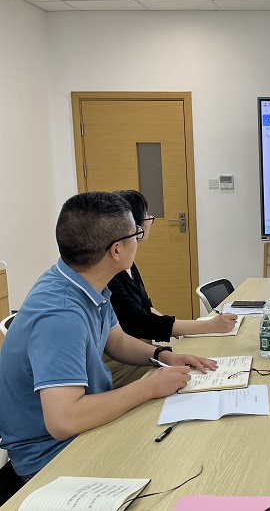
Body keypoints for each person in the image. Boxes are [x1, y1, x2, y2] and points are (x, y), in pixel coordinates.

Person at [0, 192, 218, 481]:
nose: (139, 239)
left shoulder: (85, 282)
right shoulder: (61, 314)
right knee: (186, 462)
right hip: (54, 457)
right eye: (135, 233)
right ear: (117, 250)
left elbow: (117, 341)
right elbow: (64, 420)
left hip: (87, 428)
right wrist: (149, 387)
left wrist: (163, 356)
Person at [106, 190, 236, 387]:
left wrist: (177, 331)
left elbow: (145, 308)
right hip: (124, 364)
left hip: (141, 352)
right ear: (134, 226)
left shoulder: (127, 263)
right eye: (147, 215)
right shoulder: (110, 274)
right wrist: (208, 326)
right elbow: (140, 323)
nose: (151, 221)